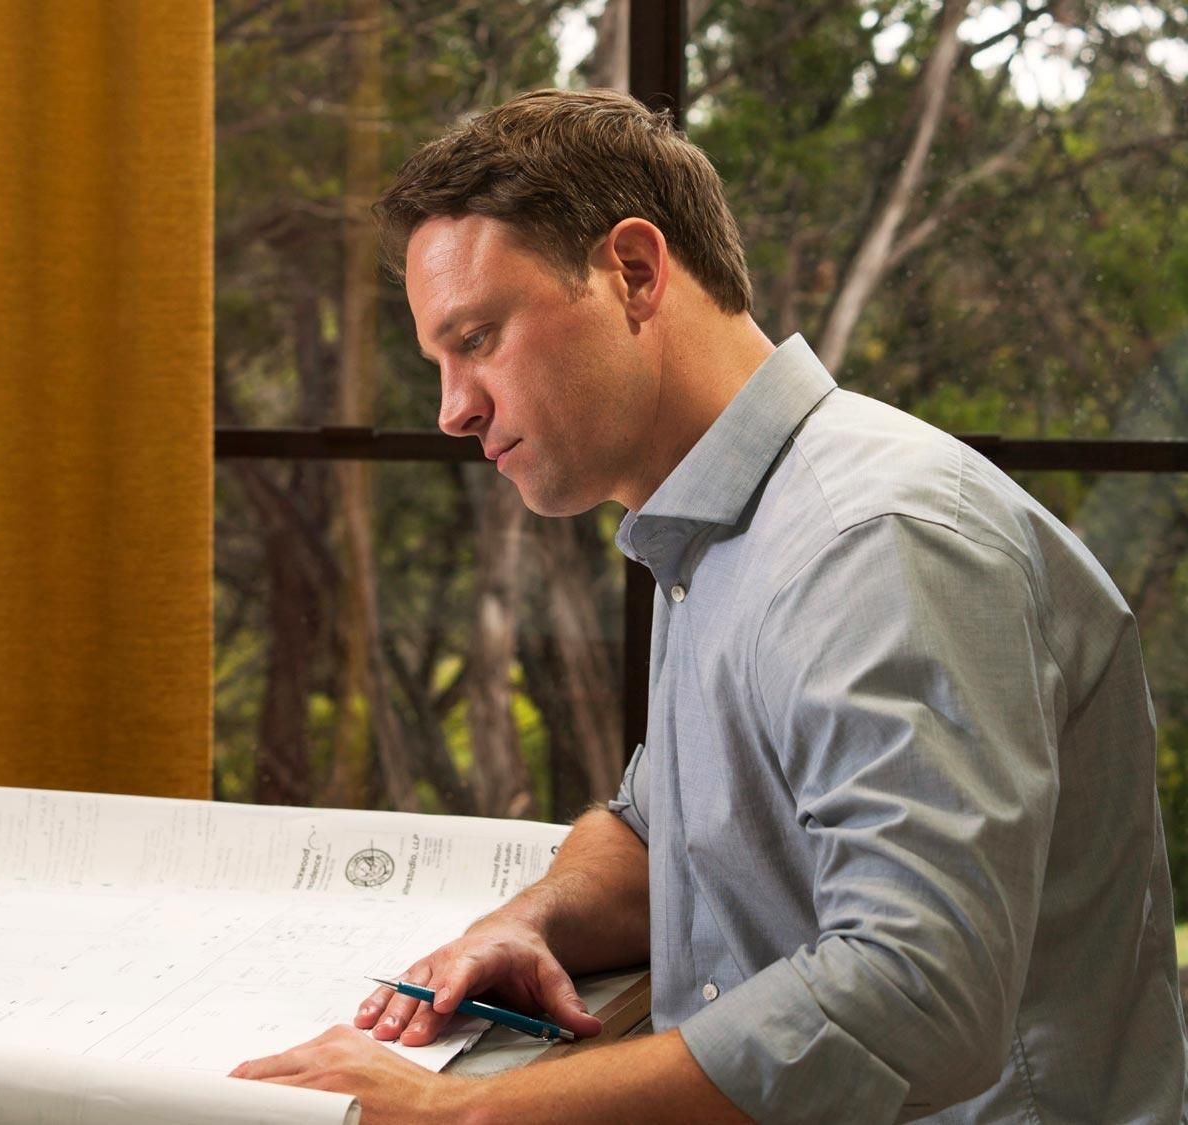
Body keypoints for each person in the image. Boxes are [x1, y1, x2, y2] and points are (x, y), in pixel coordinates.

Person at [229, 87, 1188, 1123]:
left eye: (478, 339)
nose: (453, 410)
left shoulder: (873, 542)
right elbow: (667, 832)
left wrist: (466, 1114)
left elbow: (917, 992)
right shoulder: (719, 533)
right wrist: (532, 921)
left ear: (634, 273)